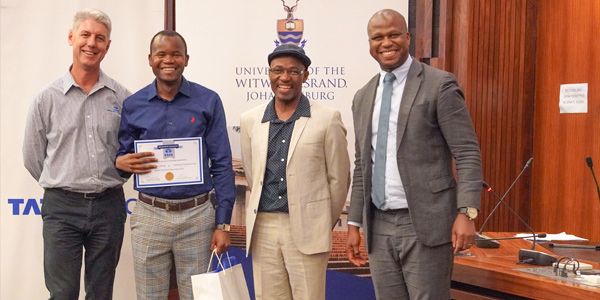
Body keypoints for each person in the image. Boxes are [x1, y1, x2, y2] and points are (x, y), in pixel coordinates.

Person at [345, 9, 483, 300]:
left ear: (407, 37)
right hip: (378, 226)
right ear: (369, 44)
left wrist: (467, 212)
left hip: (426, 223)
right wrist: (354, 223)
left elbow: (467, 153)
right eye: (377, 37)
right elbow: (362, 166)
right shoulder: (362, 96)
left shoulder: (439, 84)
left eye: (393, 34)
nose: (386, 43)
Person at [115, 30, 235, 300]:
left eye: (175, 54)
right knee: (148, 296)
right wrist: (120, 162)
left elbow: (222, 163)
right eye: (161, 54)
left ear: (186, 59)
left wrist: (223, 224)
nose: (168, 60)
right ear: (150, 59)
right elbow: (123, 160)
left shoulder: (208, 101)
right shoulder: (133, 105)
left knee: (197, 296)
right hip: (149, 214)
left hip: (197, 216)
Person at [22, 8, 129, 300]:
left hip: (109, 207)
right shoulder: (47, 98)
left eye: (100, 38)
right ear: (71, 37)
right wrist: (64, 177)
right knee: (62, 293)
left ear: (108, 46)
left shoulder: (122, 98)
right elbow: (33, 157)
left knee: (101, 293)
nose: (91, 43)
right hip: (62, 209)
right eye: (85, 35)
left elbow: (129, 152)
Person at [240, 44, 350, 300]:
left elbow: (339, 179)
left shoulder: (327, 118)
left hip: (308, 230)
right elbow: (250, 171)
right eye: (278, 70)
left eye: (293, 71)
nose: (285, 77)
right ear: (269, 74)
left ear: (305, 75)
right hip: (263, 228)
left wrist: (320, 221)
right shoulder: (250, 120)